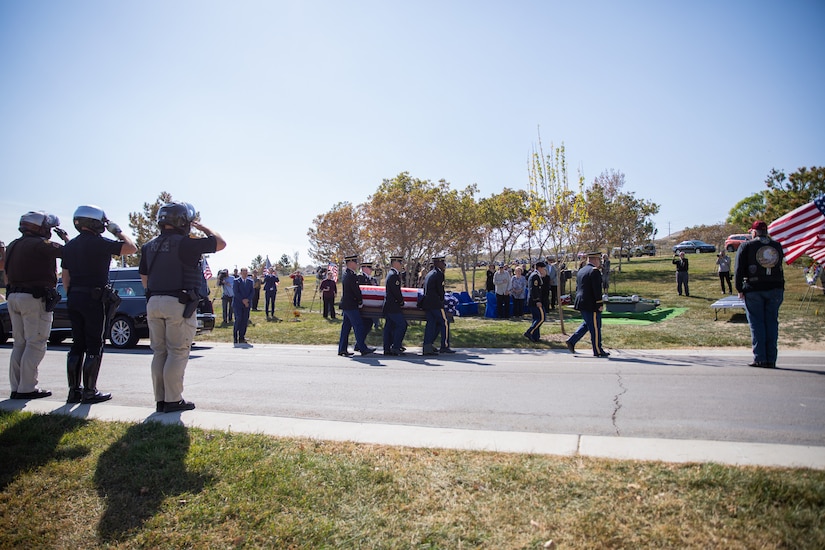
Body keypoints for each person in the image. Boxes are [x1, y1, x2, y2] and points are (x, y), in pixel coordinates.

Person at [140, 201, 226, 413]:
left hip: (153, 301)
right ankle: (173, 400)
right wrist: (203, 227)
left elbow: (144, 277)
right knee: (177, 352)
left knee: (159, 353)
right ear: (184, 221)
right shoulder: (186, 243)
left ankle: (160, 399)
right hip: (177, 303)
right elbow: (220, 243)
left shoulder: (148, 246)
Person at [62, 205, 137, 404]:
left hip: (74, 298)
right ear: (95, 222)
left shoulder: (69, 246)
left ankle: (73, 391)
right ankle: (89, 391)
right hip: (93, 299)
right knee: (95, 344)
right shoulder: (99, 243)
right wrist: (118, 231)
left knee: (77, 345)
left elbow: (65, 278)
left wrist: (73, 296)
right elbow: (131, 247)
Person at [6, 211, 67, 399]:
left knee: (20, 344)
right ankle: (28, 388)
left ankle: (17, 387)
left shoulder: (13, 245)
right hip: (33, 299)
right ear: (39, 228)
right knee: (36, 343)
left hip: (13, 297)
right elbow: (69, 251)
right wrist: (64, 237)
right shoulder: (41, 245)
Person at [735, 220, 785, 369]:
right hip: (776, 288)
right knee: (771, 323)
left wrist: (739, 289)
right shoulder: (776, 246)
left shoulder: (747, 246)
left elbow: (739, 269)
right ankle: (771, 358)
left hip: (754, 288)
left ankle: (760, 358)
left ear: (754, 232)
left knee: (757, 324)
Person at [566, 252, 609, 357]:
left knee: (587, 324)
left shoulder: (582, 270)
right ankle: (597, 349)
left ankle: (572, 341)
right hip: (591, 303)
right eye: (599, 260)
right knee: (595, 327)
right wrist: (599, 303)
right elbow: (596, 289)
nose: (600, 262)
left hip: (582, 301)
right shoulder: (594, 271)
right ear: (595, 260)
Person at [337, 255, 373, 356]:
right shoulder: (351, 275)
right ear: (350, 263)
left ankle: (342, 349)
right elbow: (355, 290)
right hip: (351, 305)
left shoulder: (347, 274)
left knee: (346, 328)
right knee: (359, 326)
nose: (357, 264)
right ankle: (362, 348)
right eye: (355, 262)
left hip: (347, 305)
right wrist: (360, 301)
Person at [421, 255, 447, 355]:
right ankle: (444, 346)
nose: (444, 265)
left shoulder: (430, 273)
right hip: (435, 304)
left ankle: (427, 345)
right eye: (442, 262)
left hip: (428, 303)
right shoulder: (439, 274)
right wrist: (442, 300)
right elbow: (440, 290)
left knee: (431, 324)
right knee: (444, 322)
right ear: (438, 263)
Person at [382, 255, 408, 355]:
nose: (402, 265)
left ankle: (387, 348)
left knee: (389, 326)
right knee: (402, 325)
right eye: (401, 263)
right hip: (393, 306)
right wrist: (401, 302)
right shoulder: (394, 275)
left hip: (389, 306)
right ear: (396, 263)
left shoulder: (391, 274)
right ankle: (396, 346)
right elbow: (396, 292)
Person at [523, 261, 546, 342]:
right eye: (543, 268)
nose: (544, 270)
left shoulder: (535, 275)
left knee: (536, 318)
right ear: (539, 268)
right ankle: (529, 332)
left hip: (533, 300)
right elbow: (534, 289)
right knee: (541, 318)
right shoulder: (535, 276)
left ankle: (536, 336)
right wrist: (537, 300)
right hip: (534, 301)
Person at [356, 261, 379, 338]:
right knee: (364, 324)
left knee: (368, 323)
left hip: (368, 305)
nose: (371, 270)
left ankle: (359, 344)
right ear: (364, 268)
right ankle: (359, 344)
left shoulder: (371, 279)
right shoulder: (360, 277)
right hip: (361, 305)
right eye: (369, 268)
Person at [233, 267, 254, 344]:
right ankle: (235, 337)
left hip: (247, 304)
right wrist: (243, 300)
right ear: (240, 273)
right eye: (243, 272)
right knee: (238, 319)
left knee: (245, 320)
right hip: (238, 304)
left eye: (246, 272)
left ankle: (242, 337)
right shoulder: (236, 281)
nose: (245, 274)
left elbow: (252, 292)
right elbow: (236, 292)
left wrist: (247, 300)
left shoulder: (250, 281)